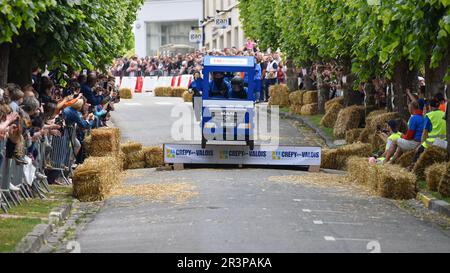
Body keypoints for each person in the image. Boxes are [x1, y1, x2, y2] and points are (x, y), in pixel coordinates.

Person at [411, 98, 447, 166]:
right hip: (444, 143)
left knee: (417, 156)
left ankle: (412, 170)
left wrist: (421, 144)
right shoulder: (444, 114)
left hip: (432, 143)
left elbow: (425, 133)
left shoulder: (429, 115)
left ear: (430, 106)